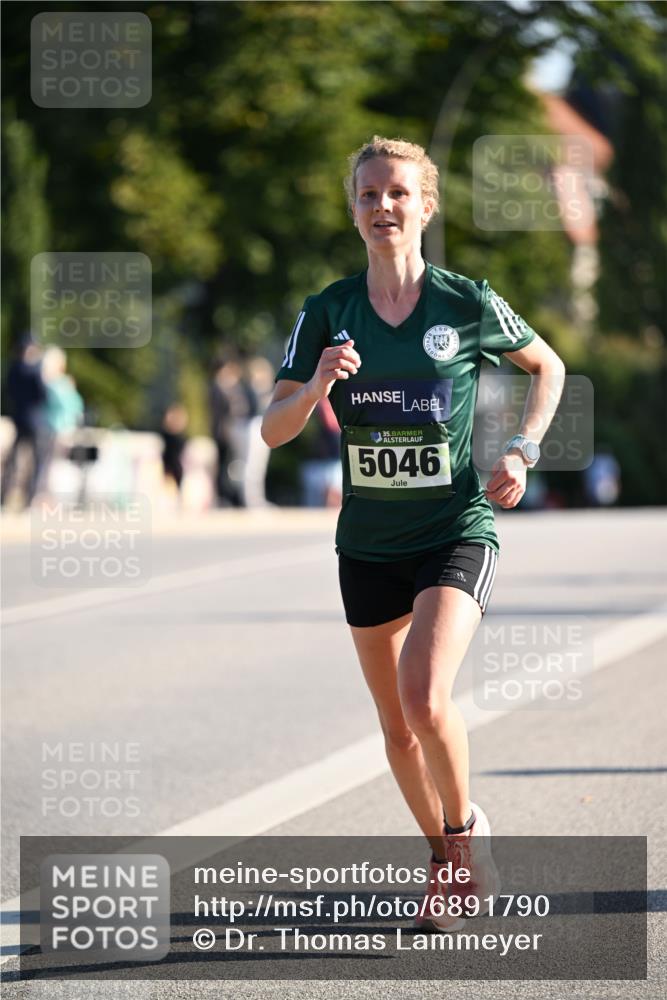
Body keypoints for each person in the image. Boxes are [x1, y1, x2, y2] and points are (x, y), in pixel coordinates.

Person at [261, 137, 566, 931]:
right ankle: (441, 854)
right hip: (366, 543)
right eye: (367, 195)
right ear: (352, 208)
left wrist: (523, 450)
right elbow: (272, 430)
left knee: (424, 699)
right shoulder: (328, 310)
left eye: (397, 194)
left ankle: (460, 851)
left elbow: (549, 367)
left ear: (425, 206)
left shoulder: (464, 302)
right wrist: (319, 382)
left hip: (453, 528)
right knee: (394, 728)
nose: (382, 207)